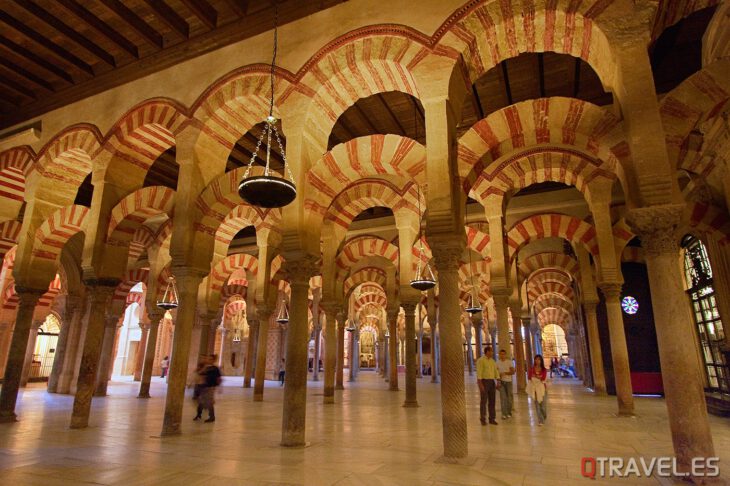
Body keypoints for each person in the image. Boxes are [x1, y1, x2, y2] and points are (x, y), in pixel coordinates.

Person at [476, 346, 500, 425]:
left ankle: (492, 418)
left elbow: (495, 371)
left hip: (491, 382)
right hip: (484, 381)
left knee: (492, 401)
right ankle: (483, 418)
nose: (492, 353)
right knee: (484, 401)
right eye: (491, 351)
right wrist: (480, 384)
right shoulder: (481, 361)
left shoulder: (492, 361)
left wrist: (498, 381)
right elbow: (479, 372)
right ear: (487, 352)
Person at [194, 355, 221, 423]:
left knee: (209, 403)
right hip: (204, 386)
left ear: (213, 360)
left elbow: (219, 378)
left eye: (211, 359)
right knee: (201, 402)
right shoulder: (206, 367)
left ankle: (212, 417)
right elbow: (199, 373)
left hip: (211, 387)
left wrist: (219, 387)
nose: (209, 360)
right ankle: (199, 414)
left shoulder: (215, 368)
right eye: (208, 359)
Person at [526, 354, 548, 426]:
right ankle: (540, 420)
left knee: (543, 406)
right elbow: (529, 377)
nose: (537, 361)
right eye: (536, 359)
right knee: (537, 405)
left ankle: (544, 415)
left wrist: (536, 376)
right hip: (534, 389)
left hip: (542, 389)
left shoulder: (544, 370)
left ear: (541, 361)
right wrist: (537, 377)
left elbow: (543, 378)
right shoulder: (532, 369)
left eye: (539, 359)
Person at [496, 349, 515, 419]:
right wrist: (498, 379)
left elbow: (513, 372)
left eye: (503, 354)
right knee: (503, 398)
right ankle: (504, 413)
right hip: (501, 382)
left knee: (509, 398)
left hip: (508, 382)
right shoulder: (497, 363)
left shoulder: (509, 362)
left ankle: (509, 412)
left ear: (505, 355)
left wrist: (505, 373)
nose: (502, 355)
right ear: (499, 355)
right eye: (501, 354)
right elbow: (496, 372)